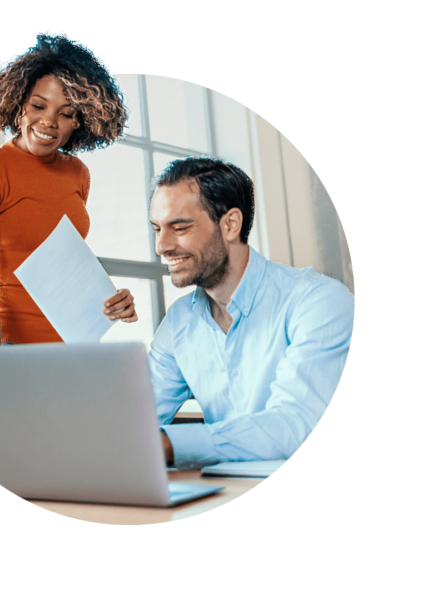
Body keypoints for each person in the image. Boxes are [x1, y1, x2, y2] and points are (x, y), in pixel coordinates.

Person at [149, 156, 355, 469]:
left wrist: (169, 444)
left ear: (230, 224)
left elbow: (295, 427)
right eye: (157, 229)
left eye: (179, 227)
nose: (161, 246)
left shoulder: (318, 301)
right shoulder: (179, 322)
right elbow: (138, 418)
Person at [0, 33, 137, 345]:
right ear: (18, 104)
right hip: (9, 342)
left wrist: (112, 299)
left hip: (74, 345)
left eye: (65, 113)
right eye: (38, 106)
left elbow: (66, 262)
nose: (48, 122)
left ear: (79, 121)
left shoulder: (77, 173)